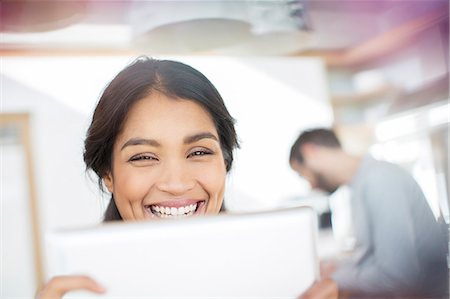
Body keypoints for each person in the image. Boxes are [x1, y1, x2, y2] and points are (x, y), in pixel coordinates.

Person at [36, 57, 338, 299]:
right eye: (143, 157)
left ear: (225, 162)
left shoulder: (277, 279)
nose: (177, 183)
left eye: (198, 152)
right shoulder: (78, 292)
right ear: (108, 175)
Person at [289, 128, 449, 298]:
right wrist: (336, 267)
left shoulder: (379, 179)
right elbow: (373, 258)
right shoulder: (360, 185)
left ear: (310, 151)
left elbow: (397, 278)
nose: (311, 186)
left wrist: (335, 279)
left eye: (302, 174)